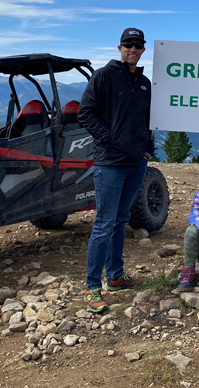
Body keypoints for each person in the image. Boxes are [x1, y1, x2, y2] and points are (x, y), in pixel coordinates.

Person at [77, 27, 156, 313]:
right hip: (110, 162)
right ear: (119, 47)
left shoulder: (145, 83)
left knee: (121, 218)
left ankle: (115, 277)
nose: (133, 49)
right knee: (104, 223)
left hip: (136, 162)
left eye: (138, 45)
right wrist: (109, 138)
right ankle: (92, 287)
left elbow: (147, 119)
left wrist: (148, 146)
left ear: (144, 50)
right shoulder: (103, 76)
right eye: (128, 45)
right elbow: (85, 112)